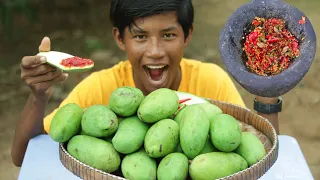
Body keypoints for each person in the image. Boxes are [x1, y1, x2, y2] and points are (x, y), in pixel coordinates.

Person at [11, 0, 281, 167]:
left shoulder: (211, 81)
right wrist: (38, 96)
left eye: (168, 35)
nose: (154, 51)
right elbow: (23, 158)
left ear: (187, 36)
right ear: (120, 39)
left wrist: (269, 97)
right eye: (140, 37)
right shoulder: (100, 90)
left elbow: (257, 157)